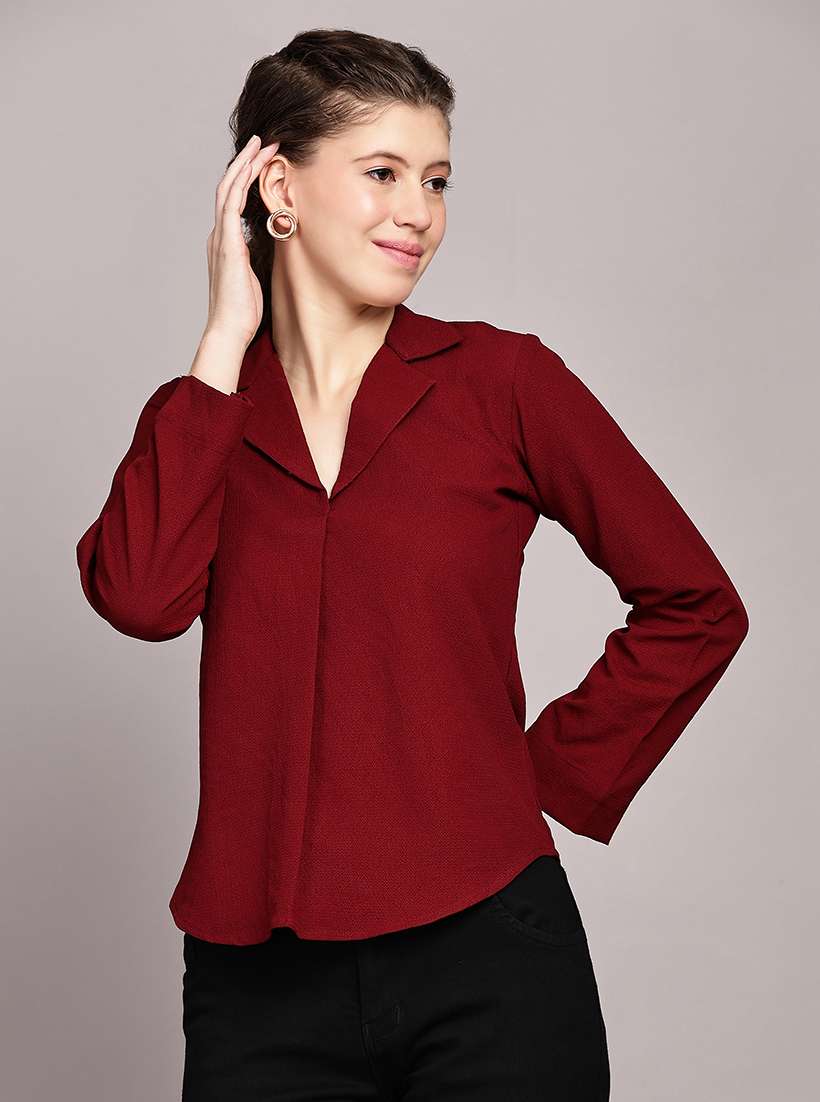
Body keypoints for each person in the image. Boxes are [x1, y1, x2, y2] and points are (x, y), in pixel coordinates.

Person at [75, 27, 749, 1102]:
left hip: (489, 952)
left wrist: (532, 781)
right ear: (278, 188)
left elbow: (695, 603)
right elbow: (143, 599)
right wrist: (221, 341)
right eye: (382, 173)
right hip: (258, 979)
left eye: (435, 180)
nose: (419, 212)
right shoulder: (197, 416)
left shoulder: (503, 382)